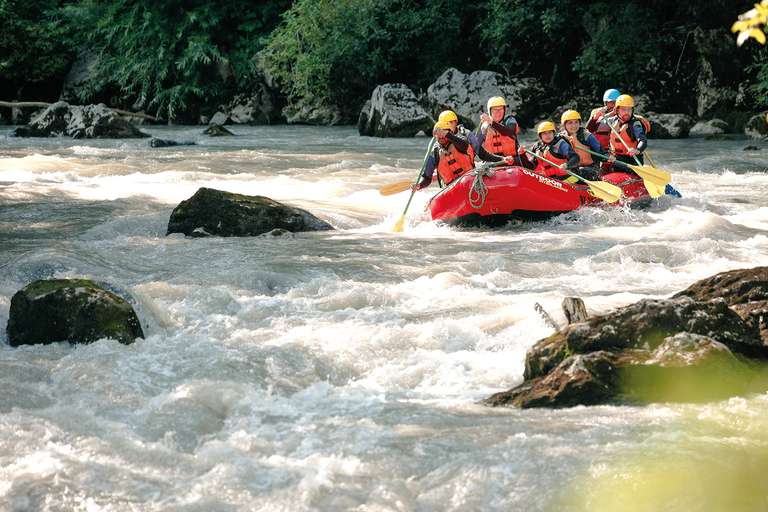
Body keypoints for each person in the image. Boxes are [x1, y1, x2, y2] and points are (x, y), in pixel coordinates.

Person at [414, 120, 507, 191]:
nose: (441, 136)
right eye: (438, 134)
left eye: (443, 133)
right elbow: (427, 177)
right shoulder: (434, 153)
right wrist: (419, 185)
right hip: (451, 188)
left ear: (449, 133)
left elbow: (464, 146)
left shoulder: (459, 140)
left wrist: (502, 159)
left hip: (471, 180)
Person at [476, 97, 533, 167]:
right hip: (493, 161)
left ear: (504, 110)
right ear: (490, 111)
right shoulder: (485, 125)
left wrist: (491, 122)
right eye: (495, 110)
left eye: (501, 110)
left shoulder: (511, 121)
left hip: (512, 160)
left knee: (521, 161)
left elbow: (506, 132)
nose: (498, 113)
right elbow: (476, 145)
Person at [438, 110, 508, 165]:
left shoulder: (466, 134)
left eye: (452, 123)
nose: (449, 126)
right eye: (446, 124)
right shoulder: (437, 140)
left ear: (456, 122)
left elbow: (482, 154)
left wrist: (502, 159)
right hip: (450, 179)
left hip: (467, 174)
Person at [559, 110, 609, 181]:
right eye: (570, 123)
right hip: (573, 169)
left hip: (591, 170)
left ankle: (567, 184)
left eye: (576, 122)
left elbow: (601, 152)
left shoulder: (586, 136)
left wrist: (608, 157)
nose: (574, 126)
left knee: (577, 172)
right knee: (569, 172)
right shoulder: (561, 138)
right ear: (564, 125)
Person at [608, 94, 650, 167]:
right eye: (623, 109)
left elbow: (643, 140)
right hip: (617, 158)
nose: (626, 113)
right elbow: (594, 125)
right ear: (617, 110)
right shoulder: (613, 121)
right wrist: (596, 116)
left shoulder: (635, 124)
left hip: (633, 161)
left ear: (632, 110)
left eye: (629, 109)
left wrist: (637, 150)